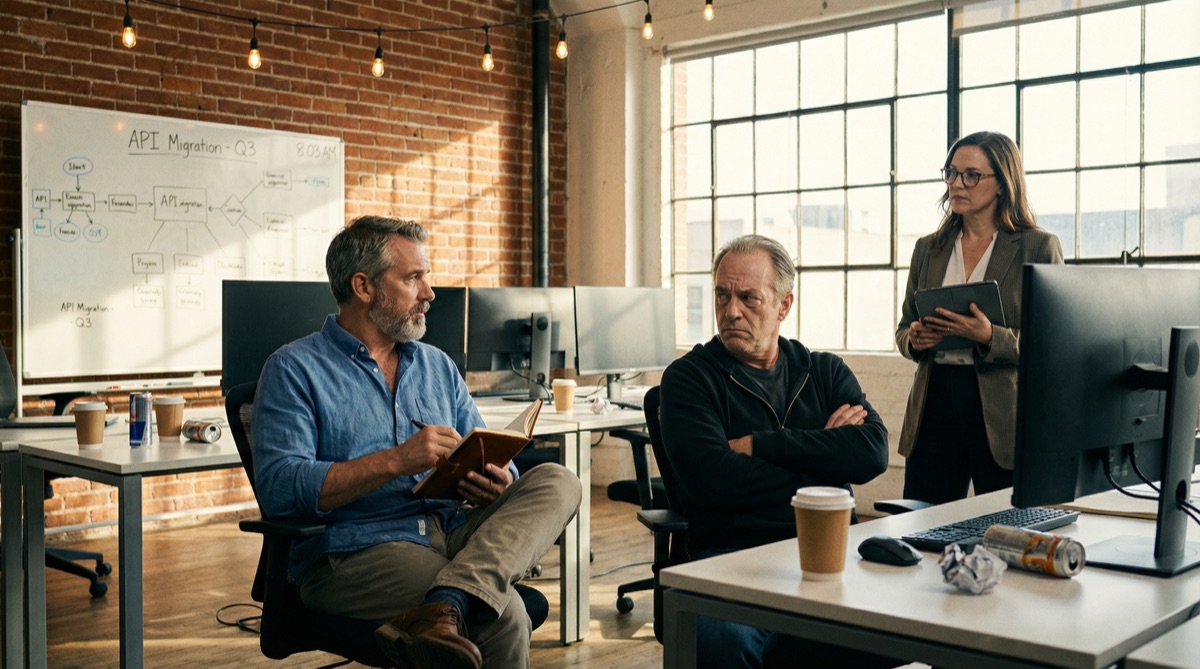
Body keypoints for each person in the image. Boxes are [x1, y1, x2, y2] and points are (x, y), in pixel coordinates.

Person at [251, 215, 582, 669]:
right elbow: (281, 488)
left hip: (448, 532)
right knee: (505, 617)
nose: (429, 293)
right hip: (355, 551)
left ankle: (446, 602)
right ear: (364, 287)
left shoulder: (436, 366)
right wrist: (397, 460)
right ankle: (455, 603)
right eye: (413, 278)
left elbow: (486, 448)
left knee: (558, 480)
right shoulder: (293, 369)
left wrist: (497, 480)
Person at [659, 234, 891, 669]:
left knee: (910, 623)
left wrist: (764, 444)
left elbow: (873, 452)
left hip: (829, 555)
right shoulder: (689, 379)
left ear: (784, 306)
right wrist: (825, 462)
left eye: (749, 298)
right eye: (722, 295)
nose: (731, 311)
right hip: (732, 557)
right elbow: (713, 480)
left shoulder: (823, 371)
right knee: (720, 637)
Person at [896, 130, 1064, 505]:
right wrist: (915, 339)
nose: (957, 183)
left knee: (1006, 522)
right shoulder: (929, 249)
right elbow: (904, 327)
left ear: (1003, 184)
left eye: (971, 175)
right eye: (951, 173)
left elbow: (1052, 345)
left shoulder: (1038, 247)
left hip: (1001, 407)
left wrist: (990, 335)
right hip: (934, 401)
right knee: (923, 521)